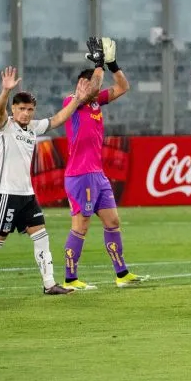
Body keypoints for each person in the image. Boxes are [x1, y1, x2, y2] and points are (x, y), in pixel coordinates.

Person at [0, 67, 89, 297]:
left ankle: (50, 285)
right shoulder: (4, 125)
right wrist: (5, 91)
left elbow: (58, 119)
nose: (26, 114)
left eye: (30, 109)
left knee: (41, 236)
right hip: (6, 193)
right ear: (13, 109)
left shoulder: (32, 128)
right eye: (22, 109)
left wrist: (77, 100)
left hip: (27, 196)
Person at [62, 37, 145, 290]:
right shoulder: (72, 103)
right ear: (82, 85)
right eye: (92, 86)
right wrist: (98, 64)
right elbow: (90, 89)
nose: (97, 90)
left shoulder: (96, 102)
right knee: (81, 225)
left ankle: (121, 273)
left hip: (97, 174)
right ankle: (70, 279)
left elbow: (123, 86)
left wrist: (112, 63)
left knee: (112, 222)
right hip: (80, 174)